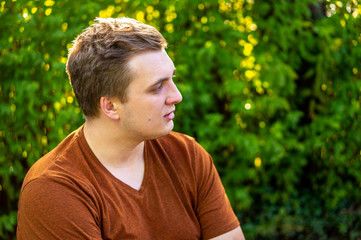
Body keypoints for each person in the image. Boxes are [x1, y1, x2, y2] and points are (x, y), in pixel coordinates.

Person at [17, 17, 245, 240]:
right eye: (157, 87)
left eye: (172, 79)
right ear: (111, 106)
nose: (176, 96)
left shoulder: (187, 156)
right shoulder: (54, 190)